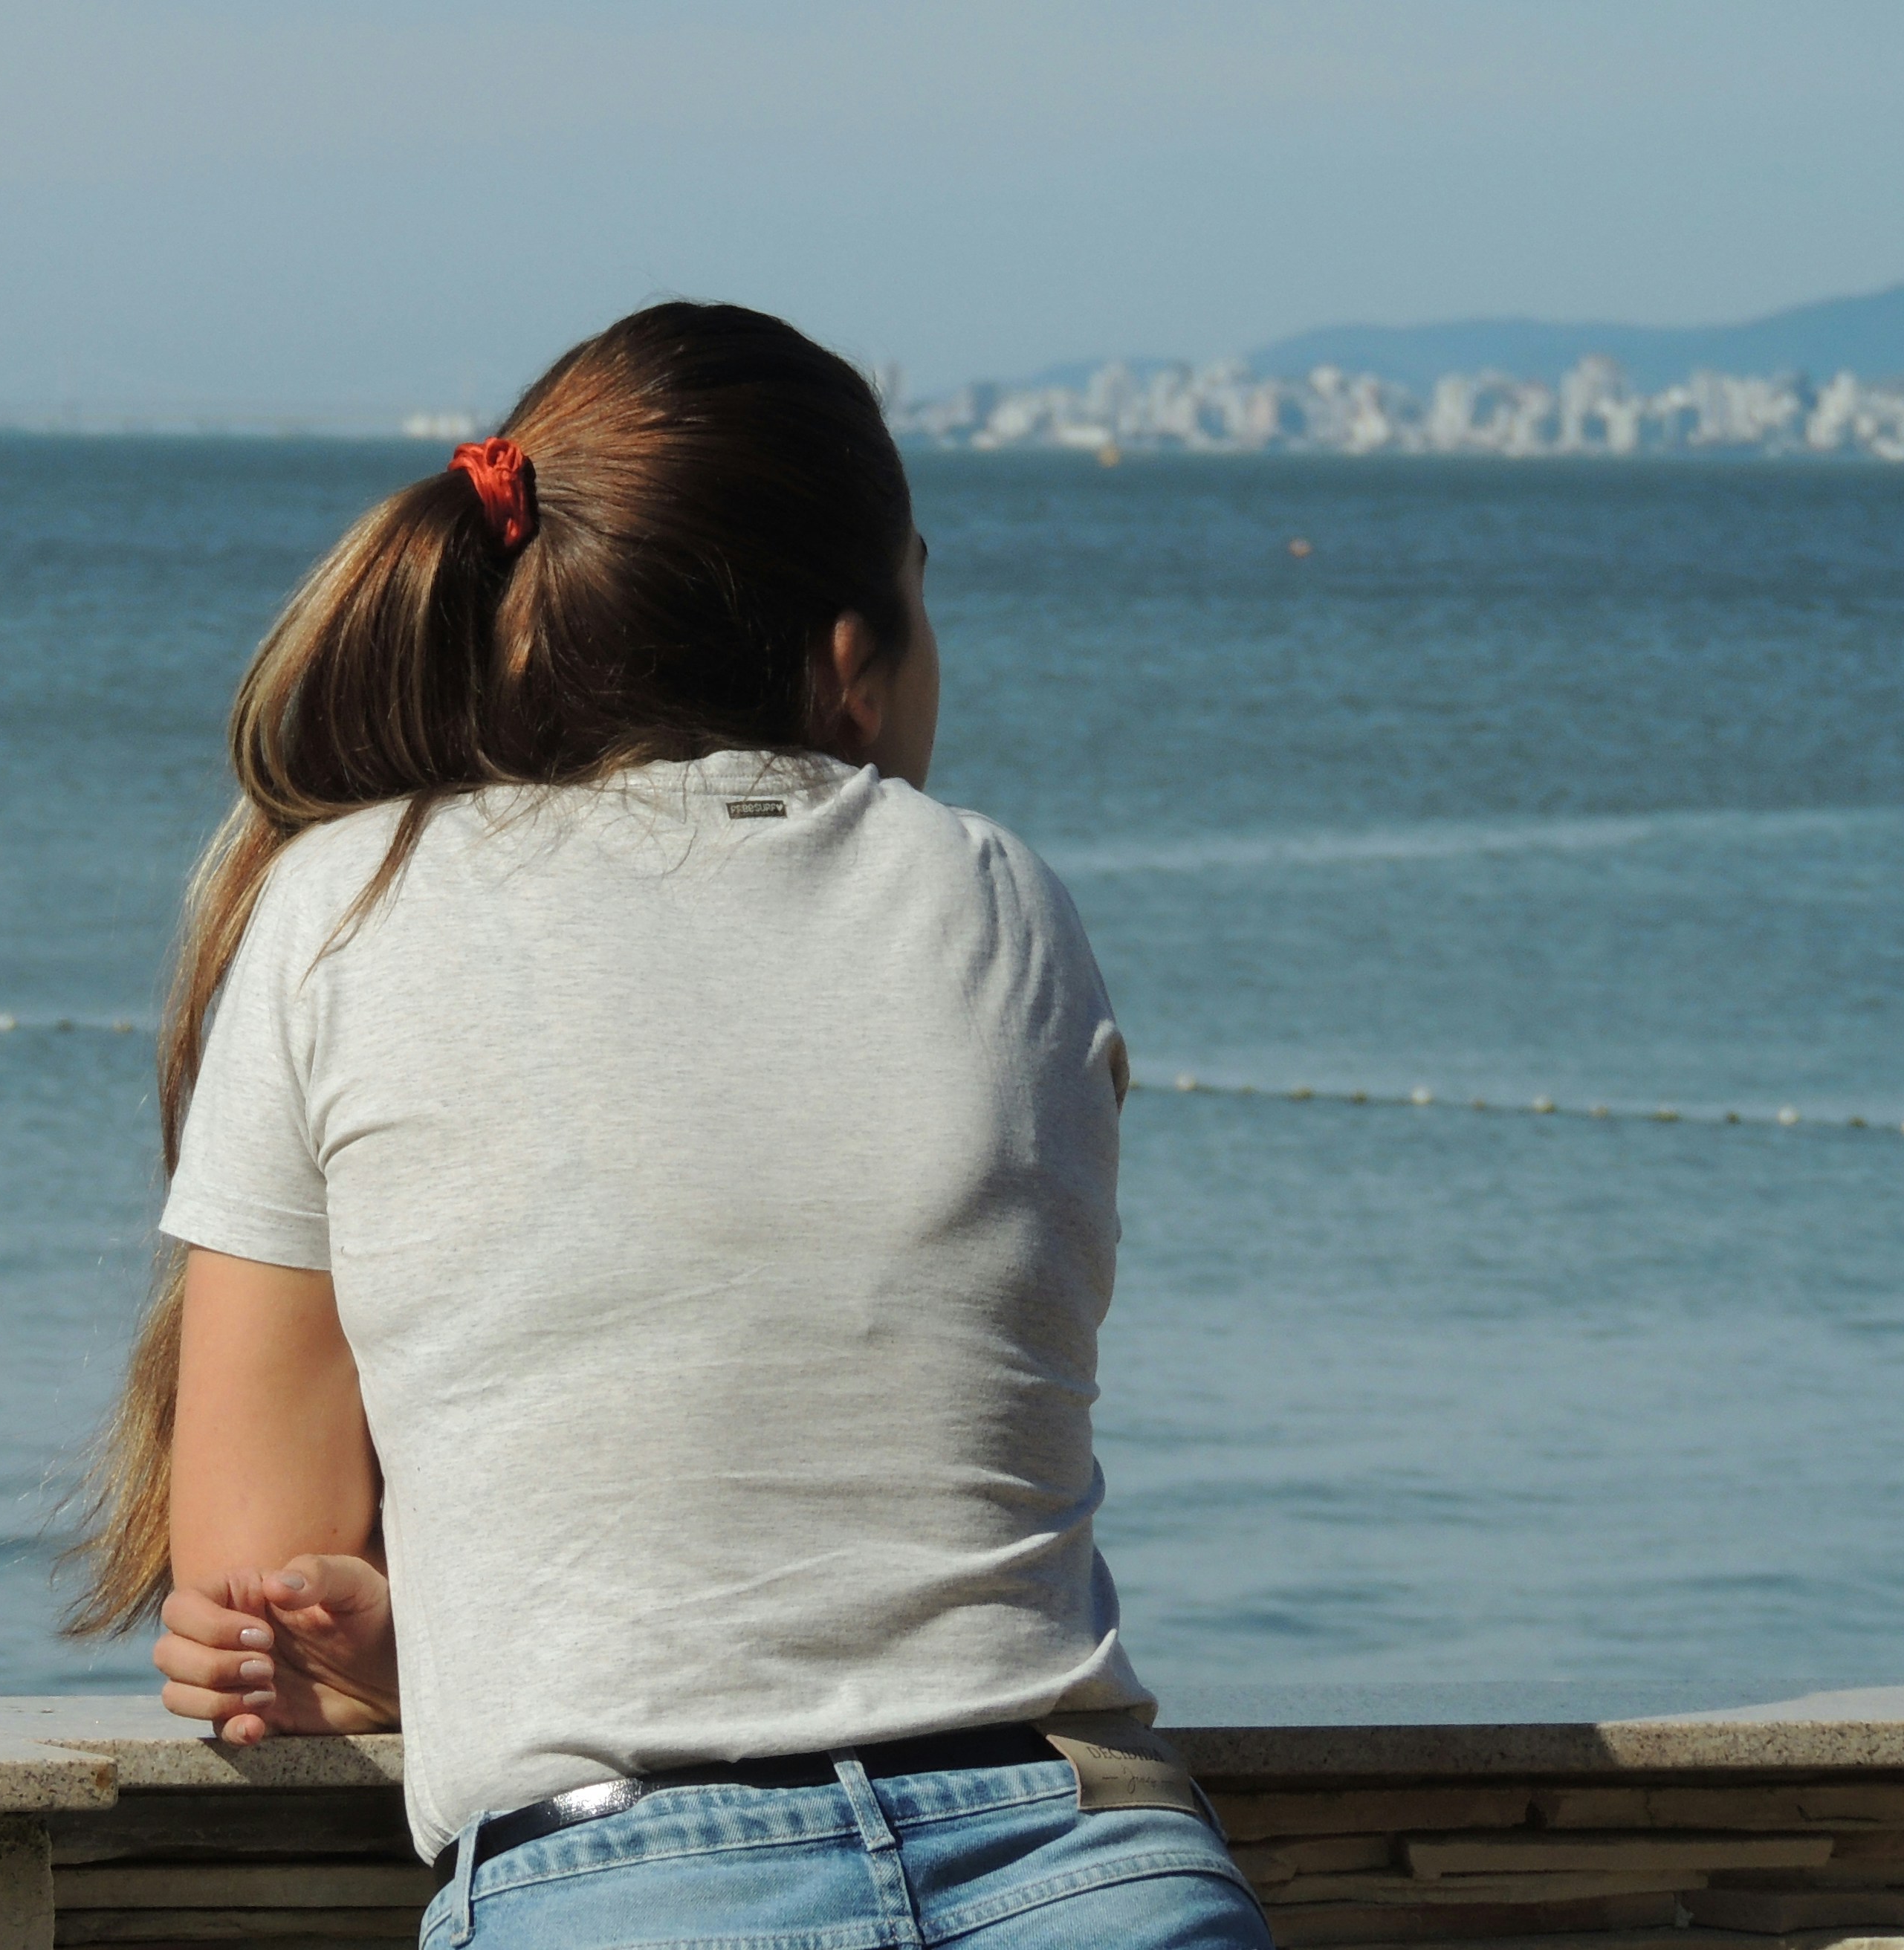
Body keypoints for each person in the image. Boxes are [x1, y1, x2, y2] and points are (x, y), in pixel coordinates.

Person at [66, 302, 1270, 1949]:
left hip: (629, 1885)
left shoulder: (347, 905)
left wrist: (425, 1644)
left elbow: (260, 1582)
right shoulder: (1001, 899)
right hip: (1089, 1862)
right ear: (851, 664)